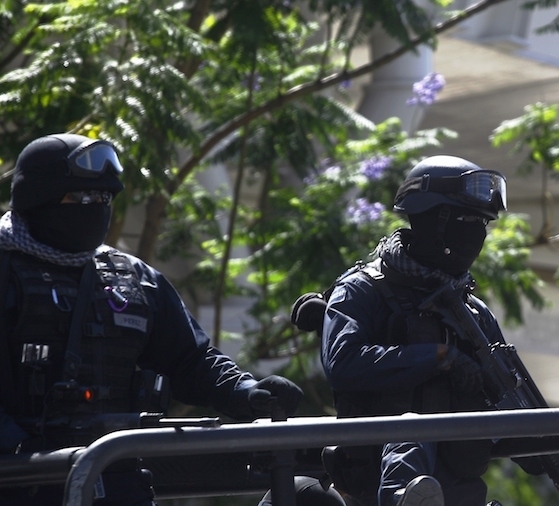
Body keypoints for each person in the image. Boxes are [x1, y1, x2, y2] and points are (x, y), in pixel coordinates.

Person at [0, 133, 329, 505]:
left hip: (117, 477)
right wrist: (22, 449)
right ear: (38, 199)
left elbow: (191, 360)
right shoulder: (7, 268)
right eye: (81, 198)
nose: (96, 207)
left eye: (105, 198)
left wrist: (247, 393)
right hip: (21, 479)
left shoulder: (133, 278)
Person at [320, 155, 559, 506]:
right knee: (411, 428)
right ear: (430, 219)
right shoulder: (363, 288)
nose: (476, 233)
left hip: (461, 493)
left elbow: (516, 405)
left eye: (483, 223)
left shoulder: (472, 312)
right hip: (370, 487)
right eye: (467, 220)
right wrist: (440, 357)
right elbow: (343, 363)